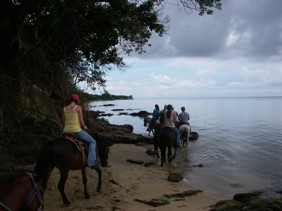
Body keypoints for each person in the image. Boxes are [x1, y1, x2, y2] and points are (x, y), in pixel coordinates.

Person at [62, 94, 98, 168]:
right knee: (93, 142)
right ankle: (91, 162)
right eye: (78, 100)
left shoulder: (64, 109)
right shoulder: (78, 107)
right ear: (76, 100)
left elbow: (63, 122)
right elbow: (81, 121)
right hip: (76, 130)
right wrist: (84, 127)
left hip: (66, 131)